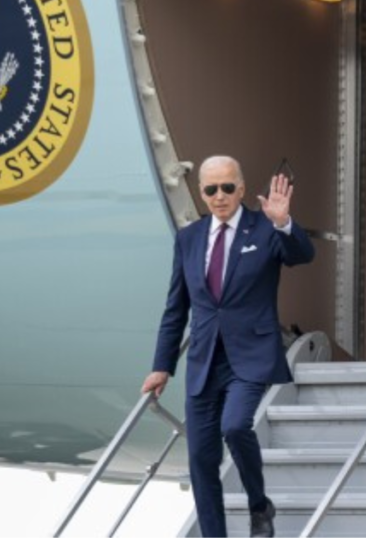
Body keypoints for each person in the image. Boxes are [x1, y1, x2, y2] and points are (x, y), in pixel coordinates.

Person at [141, 156, 315, 537]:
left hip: (250, 357)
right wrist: (162, 366)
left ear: (240, 186)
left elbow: (302, 255)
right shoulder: (189, 239)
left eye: (227, 187)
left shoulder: (265, 228)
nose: (219, 196)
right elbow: (176, 308)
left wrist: (283, 222)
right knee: (201, 459)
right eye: (210, 189)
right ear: (201, 193)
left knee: (235, 427)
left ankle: (259, 505)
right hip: (205, 361)